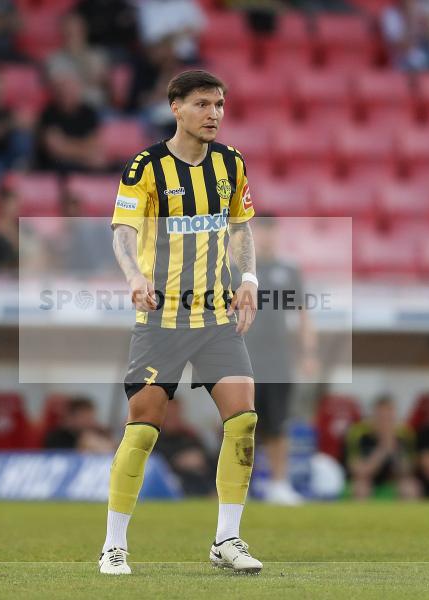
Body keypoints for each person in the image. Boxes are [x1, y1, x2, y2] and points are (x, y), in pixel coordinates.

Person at [100, 70, 262, 575]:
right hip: (162, 318)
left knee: (244, 422)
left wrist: (250, 277)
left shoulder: (231, 163)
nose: (214, 113)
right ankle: (114, 545)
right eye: (202, 104)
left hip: (216, 317)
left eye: (219, 104)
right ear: (175, 107)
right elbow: (124, 232)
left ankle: (227, 540)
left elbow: (240, 227)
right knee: (144, 430)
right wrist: (132, 276)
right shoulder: (146, 167)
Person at [239, 216, 318, 506]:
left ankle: (279, 484)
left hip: (277, 362)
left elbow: (303, 314)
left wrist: (308, 353)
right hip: (241, 359)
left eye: (271, 231)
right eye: (260, 230)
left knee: (277, 425)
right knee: (239, 426)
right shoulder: (237, 269)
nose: (266, 236)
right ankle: (238, 487)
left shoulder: (288, 271)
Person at [347, 395, 420, 500]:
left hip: (393, 481)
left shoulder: (404, 434)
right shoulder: (358, 433)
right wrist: (382, 449)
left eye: (389, 417)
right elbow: (359, 471)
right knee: (360, 488)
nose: (385, 422)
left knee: (411, 488)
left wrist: (394, 450)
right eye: (381, 417)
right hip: (366, 480)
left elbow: (407, 471)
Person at [36, 72, 107, 173]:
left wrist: (67, 144)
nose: (67, 94)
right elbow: (55, 148)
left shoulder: (89, 113)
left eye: (71, 90)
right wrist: (83, 148)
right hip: (58, 166)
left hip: (82, 162)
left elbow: (95, 145)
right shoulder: (49, 113)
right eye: (64, 91)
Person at [46, 12, 110, 108]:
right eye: (69, 30)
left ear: (84, 30)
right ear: (63, 32)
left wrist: (81, 54)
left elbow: (102, 82)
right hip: (73, 110)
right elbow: (64, 89)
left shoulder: (98, 55)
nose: (74, 33)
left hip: (99, 108)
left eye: (78, 29)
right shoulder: (54, 59)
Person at [154, 398, 216, 497]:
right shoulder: (154, 438)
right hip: (175, 484)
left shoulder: (189, 435)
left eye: (175, 413)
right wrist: (177, 461)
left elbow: (209, 458)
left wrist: (201, 459)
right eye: (169, 415)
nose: (173, 417)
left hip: (202, 482)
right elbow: (154, 465)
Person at [381, 0, 429, 71]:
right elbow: (401, 47)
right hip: (401, 59)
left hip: (424, 53)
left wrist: (427, 29)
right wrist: (411, 20)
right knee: (416, 60)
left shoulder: (421, 12)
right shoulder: (390, 15)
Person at [43, 396, 115, 453]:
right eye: (84, 417)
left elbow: (113, 450)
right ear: (71, 418)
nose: (89, 422)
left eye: (91, 417)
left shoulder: (100, 432)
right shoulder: (57, 438)